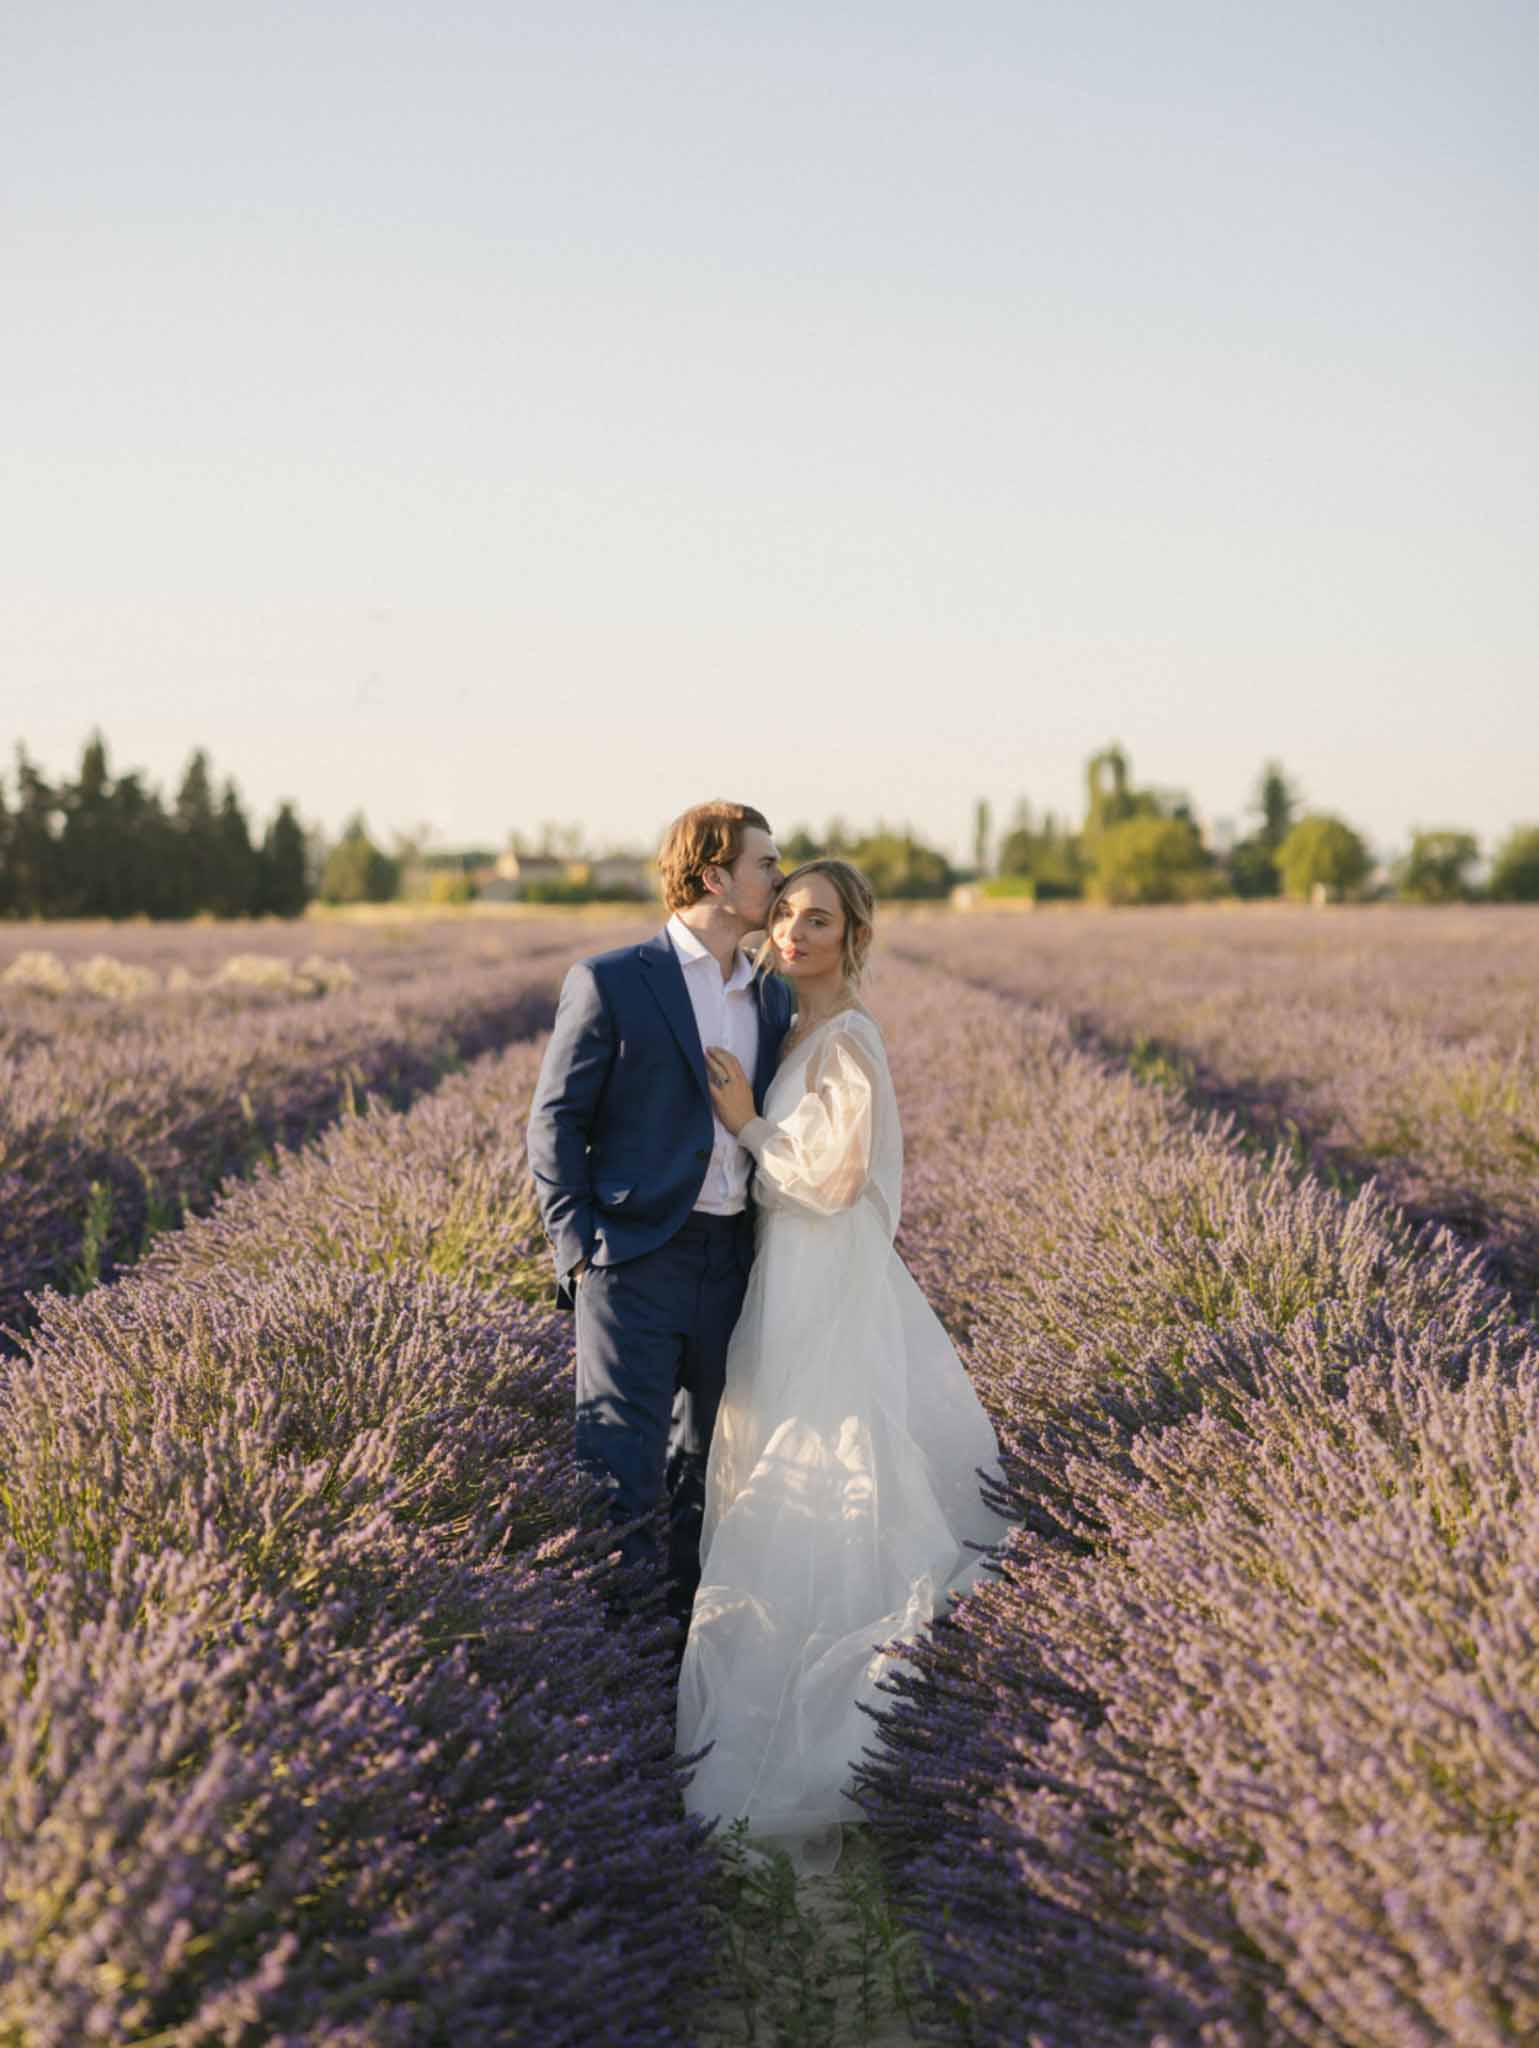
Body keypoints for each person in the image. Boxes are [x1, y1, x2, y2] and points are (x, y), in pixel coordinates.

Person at [675, 858, 1009, 1875]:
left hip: (828, 1280)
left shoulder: (849, 1036)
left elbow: (836, 1173)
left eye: (817, 919)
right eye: (783, 913)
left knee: (829, 1471)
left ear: (854, 936)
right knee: (783, 1465)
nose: (793, 932)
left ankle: (840, 1738)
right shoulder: (793, 1030)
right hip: (791, 1278)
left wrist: (745, 1123)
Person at [525, 801, 794, 1631]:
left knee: (715, 1481)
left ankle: (688, 1668)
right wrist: (580, 1251)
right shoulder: (611, 979)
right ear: (715, 876)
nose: (779, 882)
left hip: (734, 1261)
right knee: (619, 1481)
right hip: (634, 1261)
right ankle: (618, 1668)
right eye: (766, 866)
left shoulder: (772, 997)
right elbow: (554, 1120)